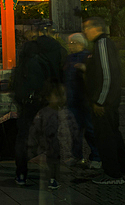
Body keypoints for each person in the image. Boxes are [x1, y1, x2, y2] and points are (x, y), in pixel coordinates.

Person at [10, 31, 65, 186]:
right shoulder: (49, 60)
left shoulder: (25, 62)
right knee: (51, 138)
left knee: (23, 138)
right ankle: (53, 177)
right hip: (48, 102)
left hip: (27, 104)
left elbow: (16, 85)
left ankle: (21, 174)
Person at [83, 16, 125, 185]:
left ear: (96, 28)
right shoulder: (102, 44)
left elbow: (107, 74)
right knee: (113, 136)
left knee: (106, 139)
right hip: (108, 101)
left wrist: (99, 101)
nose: (85, 32)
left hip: (104, 103)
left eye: (86, 28)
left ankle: (113, 174)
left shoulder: (102, 44)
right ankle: (123, 170)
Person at [65, 33, 101, 169]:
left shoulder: (88, 56)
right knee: (74, 129)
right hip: (72, 99)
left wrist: (85, 69)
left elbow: (95, 76)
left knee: (90, 129)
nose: (70, 46)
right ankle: (77, 156)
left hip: (85, 99)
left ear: (80, 43)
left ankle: (97, 156)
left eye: (72, 43)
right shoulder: (69, 58)